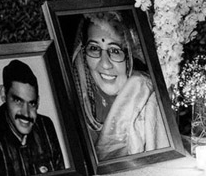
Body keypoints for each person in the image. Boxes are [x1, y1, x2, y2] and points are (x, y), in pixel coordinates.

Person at [72, 11, 169, 161]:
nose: (105, 63)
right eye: (94, 48)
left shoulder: (147, 96)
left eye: (115, 51)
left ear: (129, 55)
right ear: (83, 53)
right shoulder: (71, 102)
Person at [0, 60, 64, 176]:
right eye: (18, 101)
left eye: (32, 103)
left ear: (38, 101)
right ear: (3, 94)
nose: (26, 113)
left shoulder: (45, 127)